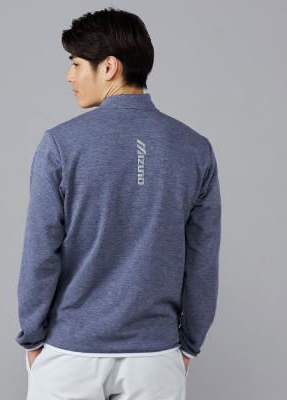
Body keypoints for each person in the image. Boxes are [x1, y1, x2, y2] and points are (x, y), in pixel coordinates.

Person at [15, 7, 221, 400]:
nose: (70, 76)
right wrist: (189, 345)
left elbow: (40, 252)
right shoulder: (195, 150)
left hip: (70, 353)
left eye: (76, 63)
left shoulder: (60, 145)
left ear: (109, 67)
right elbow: (202, 260)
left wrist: (32, 337)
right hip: (155, 357)